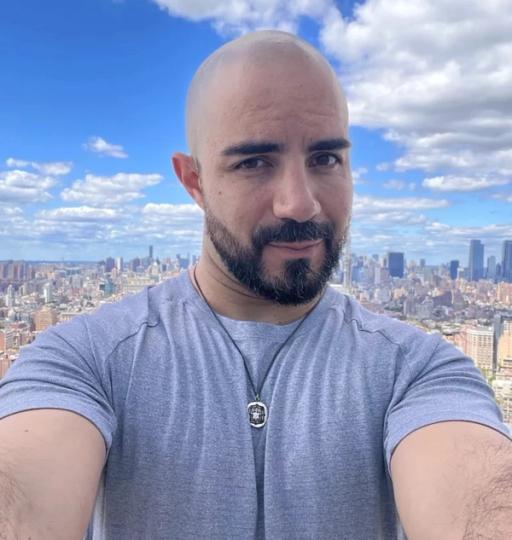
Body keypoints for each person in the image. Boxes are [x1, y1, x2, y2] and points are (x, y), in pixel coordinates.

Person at [0, 30, 511, 540]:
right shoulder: (86, 359)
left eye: (325, 158)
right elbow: (23, 487)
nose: (300, 204)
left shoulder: (417, 368)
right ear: (194, 182)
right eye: (253, 162)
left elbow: (477, 495)